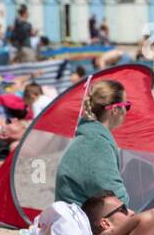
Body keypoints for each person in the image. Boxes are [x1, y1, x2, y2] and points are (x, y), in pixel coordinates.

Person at [54, 79, 132, 208]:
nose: (126, 111)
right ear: (114, 110)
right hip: (84, 222)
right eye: (127, 105)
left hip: (80, 215)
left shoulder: (88, 136)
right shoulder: (96, 143)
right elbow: (118, 200)